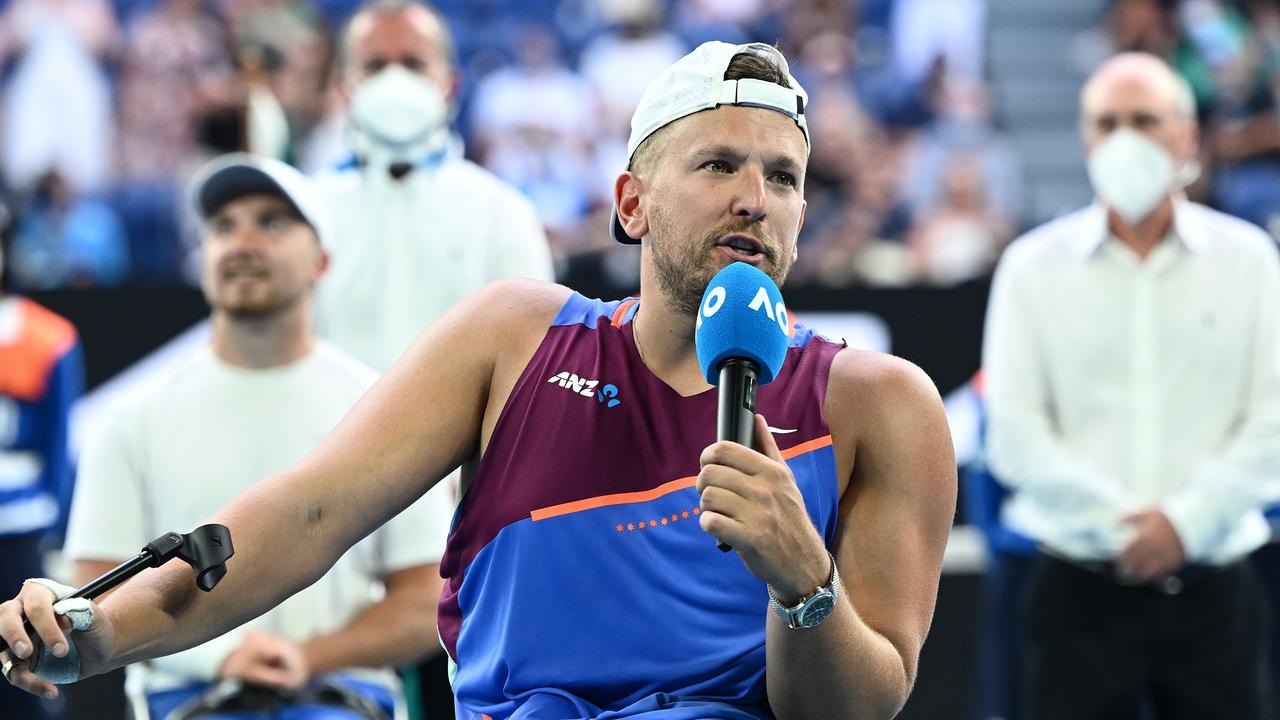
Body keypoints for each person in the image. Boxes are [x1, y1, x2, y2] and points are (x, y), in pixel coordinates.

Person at [0, 42, 957, 720]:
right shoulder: (514, 338)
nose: (757, 198)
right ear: (631, 202)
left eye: (785, 178)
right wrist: (97, 633)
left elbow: (857, 706)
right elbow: (304, 517)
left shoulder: (881, 405)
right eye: (718, 164)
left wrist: (803, 583)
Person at [59, 153, 454, 720]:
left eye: (271, 222)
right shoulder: (129, 417)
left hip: (340, 696)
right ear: (201, 260)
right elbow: (92, 594)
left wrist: (308, 656)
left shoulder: (380, 408)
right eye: (223, 227)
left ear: (322, 261)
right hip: (185, 699)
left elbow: (426, 599)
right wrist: (220, 657)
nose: (242, 242)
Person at [983, 52, 1280, 720]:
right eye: (1106, 122)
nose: (1123, 139)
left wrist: (1184, 524)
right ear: (1085, 140)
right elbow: (1014, 432)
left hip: (1217, 592)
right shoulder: (1033, 268)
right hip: (1075, 591)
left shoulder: (1249, 262)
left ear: (1187, 137)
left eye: (1143, 120)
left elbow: (1272, 424)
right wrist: (1127, 531)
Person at [312, 0, 555, 375]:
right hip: (333, 429)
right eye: (374, 67)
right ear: (344, 86)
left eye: (413, 64)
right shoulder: (310, 212)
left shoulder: (501, 212)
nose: (395, 83)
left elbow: (533, 360)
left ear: (450, 84)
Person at [0, 186, 83, 720]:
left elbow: (60, 444)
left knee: (26, 664)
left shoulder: (46, 336)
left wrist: (56, 530)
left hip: (20, 528)